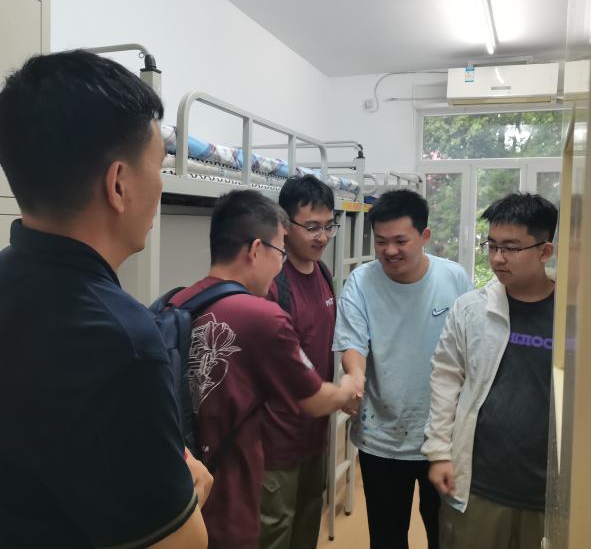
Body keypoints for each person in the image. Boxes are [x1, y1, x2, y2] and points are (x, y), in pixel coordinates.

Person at [0, 50, 210, 548]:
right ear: (118, 184)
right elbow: (181, 543)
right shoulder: (123, 341)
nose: (161, 184)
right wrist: (192, 487)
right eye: (158, 166)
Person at [169, 189, 356, 549]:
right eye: (280, 252)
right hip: (242, 482)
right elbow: (316, 399)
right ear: (256, 249)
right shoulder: (261, 315)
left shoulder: (178, 301)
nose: (282, 264)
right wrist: (350, 386)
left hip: (195, 476)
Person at [333, 188, 472, 549]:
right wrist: (355, 377)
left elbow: (470, 347)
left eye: (400, 241)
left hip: (442, 438)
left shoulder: (453, 278)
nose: (389, 251)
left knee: (445, 536)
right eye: (381, 242)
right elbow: (353, 343)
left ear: (424, 236)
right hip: (381, 438)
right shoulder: (361, 281)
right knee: (387, 537)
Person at [423, 192, 558, 549]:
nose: (497, 258)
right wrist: (438, 452)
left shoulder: (573, 314)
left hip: (549, 492)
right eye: (492, 245)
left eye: (511, 248)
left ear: (545, 251)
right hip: (479, 485)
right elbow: (446, 378)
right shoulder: (471, 309)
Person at [259, 175, 338, 549]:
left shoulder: (323, 273)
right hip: (277, 442)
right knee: (275, 533)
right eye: (312, 227)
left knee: (308, 524)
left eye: (329, 226)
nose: (322, 237)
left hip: (315, 435)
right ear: (285, 225)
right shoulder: (273, 283)